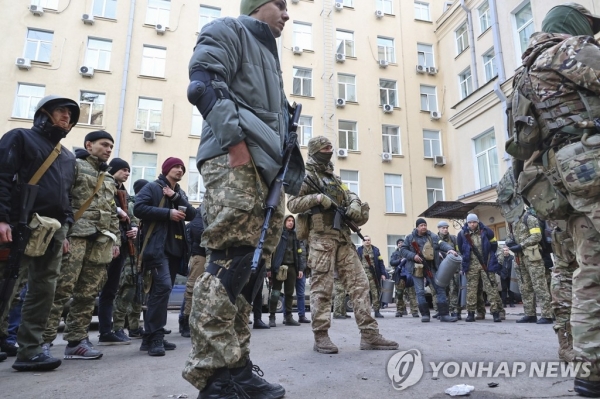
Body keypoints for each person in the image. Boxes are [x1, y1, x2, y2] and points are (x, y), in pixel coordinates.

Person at [182, 0, 306, 397]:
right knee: (229, 261)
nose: (287, 14)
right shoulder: (228, 30)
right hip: (236, 161)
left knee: (250, 273)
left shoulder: (270, 56)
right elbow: (202, 82)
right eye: (280, 5)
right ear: (257, 5)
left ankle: (237, 368)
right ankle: (213, 378)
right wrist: (234, 143)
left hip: (265, 173)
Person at [511, 4, 600, 393]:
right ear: (574, 26)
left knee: (591, 269)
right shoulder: (568, 50)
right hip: (592, 159)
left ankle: (591, 370)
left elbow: (522, 146)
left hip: (566, 176)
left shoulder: (525, 75)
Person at [288, 136, 398, 354]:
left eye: (331, 147)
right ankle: (321, 336)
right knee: (322, 288)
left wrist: (356, 203)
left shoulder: (335, 179)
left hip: (343, 238)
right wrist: (317, 199)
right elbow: (292, 203)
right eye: (326, 148)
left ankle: (369, 334)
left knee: (360, 284)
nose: (330, 150)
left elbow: (349, 194)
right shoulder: (306, 176)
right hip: (321, 239)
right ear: (315, 151)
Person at [0, 95, 79, 371]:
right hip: (18, 224)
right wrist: (2, 219)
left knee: (44, 289)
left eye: (70, 113)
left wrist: (66, 228)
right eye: (61, 110)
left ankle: (30, 350)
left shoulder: (68, 157)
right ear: (43, 113)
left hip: (54, 230)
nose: (66, 116)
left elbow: (67, 197)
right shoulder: (19, 137)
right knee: (5, 284)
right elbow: (1, 177)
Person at [42, 130, 121, 360]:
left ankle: (76, 341)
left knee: (88, 293)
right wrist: (62, 234)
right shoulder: (73, 165)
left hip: (101, 241)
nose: (108, 149)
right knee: (61, 289)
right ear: (89, 145)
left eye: (110, 146)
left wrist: (114, 238)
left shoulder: (108, 178)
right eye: (104, 145)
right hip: (75, 235)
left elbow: (111, 212)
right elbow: (62, 200)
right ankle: (43, 341)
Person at [134, 157, 195, 356]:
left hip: (175, 249)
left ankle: (150, 336)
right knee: (162, 287)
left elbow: (193, 215)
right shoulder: (152, 187)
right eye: (176, 167)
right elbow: (138, 208)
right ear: (167, 169)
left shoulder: (178, 192)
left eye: (182, 168)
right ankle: (155, 338)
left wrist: (176, 199)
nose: (180, 170)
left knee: (160, 293)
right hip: (157, 248)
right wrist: (167, 213)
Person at [97, 158, 138, 345]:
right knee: (92, 289)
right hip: (104, 242)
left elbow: (131, 216)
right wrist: (117, 210)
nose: (127, 173)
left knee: (111, 289)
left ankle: (107, 330)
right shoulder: (104, 183)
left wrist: (134, 228)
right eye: (123, 169)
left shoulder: (124, 192)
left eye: (128, 170)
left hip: (121, 243)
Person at [400, 218, 459, 323]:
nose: (424, 227)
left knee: (439, 289)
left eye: (425, 225)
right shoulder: (410, 238)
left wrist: (450, 249)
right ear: (417, 227)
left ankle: (444, 314)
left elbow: (441, 243)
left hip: (431, 267)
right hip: (416, 267)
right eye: (421, 225)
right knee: (420, 292)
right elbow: (403, 250)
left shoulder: (432, 236)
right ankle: (425, 315)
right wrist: (413, 256)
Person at [112, 178, 148, 339]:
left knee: (139, 293)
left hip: (142, 256)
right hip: (130, 256)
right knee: (127, 291)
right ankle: (118, 327)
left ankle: (134, 327)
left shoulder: (145, 207)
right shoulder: (132, 206)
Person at [506, 209, 553, 324]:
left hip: (533, 258)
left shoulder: (529, 219)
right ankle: (530, 314)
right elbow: (509, 237)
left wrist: (521, 245)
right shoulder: (513, 222)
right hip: (519, 259)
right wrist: (510, 243)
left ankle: (547, 315)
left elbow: (536, 236)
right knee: (525, 287)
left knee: (540, 286)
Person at [456, 213, 503, 323]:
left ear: (477, 222)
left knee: (491, 289)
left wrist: (489, 259)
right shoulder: (462, 234)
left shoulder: (487, 231)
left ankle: (495, 313)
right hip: (471, 265)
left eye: (474, 222)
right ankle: (471, 313)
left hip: (486, 264)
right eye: (470, 222)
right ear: (467, 223)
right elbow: (460, 249)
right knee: (472, 290)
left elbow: (494, 246)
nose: (472, 224)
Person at [547, 220, 578, 363]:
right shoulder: (562, 223)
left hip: (586, 271)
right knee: (564, 311)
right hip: (565, 273)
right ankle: (565, 348)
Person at [269, 215, 306, 327]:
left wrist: (300, 268)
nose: (291, 223)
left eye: (292, 221)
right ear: (284, 221)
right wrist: (269, 269)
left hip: (292, 268)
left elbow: (299, 253)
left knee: (289, 294)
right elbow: (270, 252)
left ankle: (288, 317)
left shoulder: (296, 235)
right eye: (289, 220)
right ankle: (272, 317)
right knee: (275, 293)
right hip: (279, 267)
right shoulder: (278, 234)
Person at [179, 205, 206, 337]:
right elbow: (199, 231)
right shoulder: (199, 214)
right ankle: (185, 321)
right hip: (200, 256)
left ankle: (191, 321)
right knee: (192, 289)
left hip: (206, 256)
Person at [357, 236, 387, 318]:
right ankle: (363, 312)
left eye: (368, 240)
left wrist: (383, 273)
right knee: (363, 293)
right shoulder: (359, 250)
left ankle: (377, 311)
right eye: (365, 240)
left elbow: (381, 262)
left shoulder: (376, 250)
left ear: (370, 241)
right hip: (363, 274)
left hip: (374, 274)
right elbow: (356, 263)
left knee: (375, 292)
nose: (367, 241)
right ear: (363, 242)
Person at [437, 220, 461, 319]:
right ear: (439, 229)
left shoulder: (453, 239)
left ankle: (455, 311)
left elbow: (458, 252)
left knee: (453, 290)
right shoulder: (435, 239)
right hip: (441, 269)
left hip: (453, 269)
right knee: (442, 291)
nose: (445, 229)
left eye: (446, 227)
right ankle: (443, 312)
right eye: (443, 228)